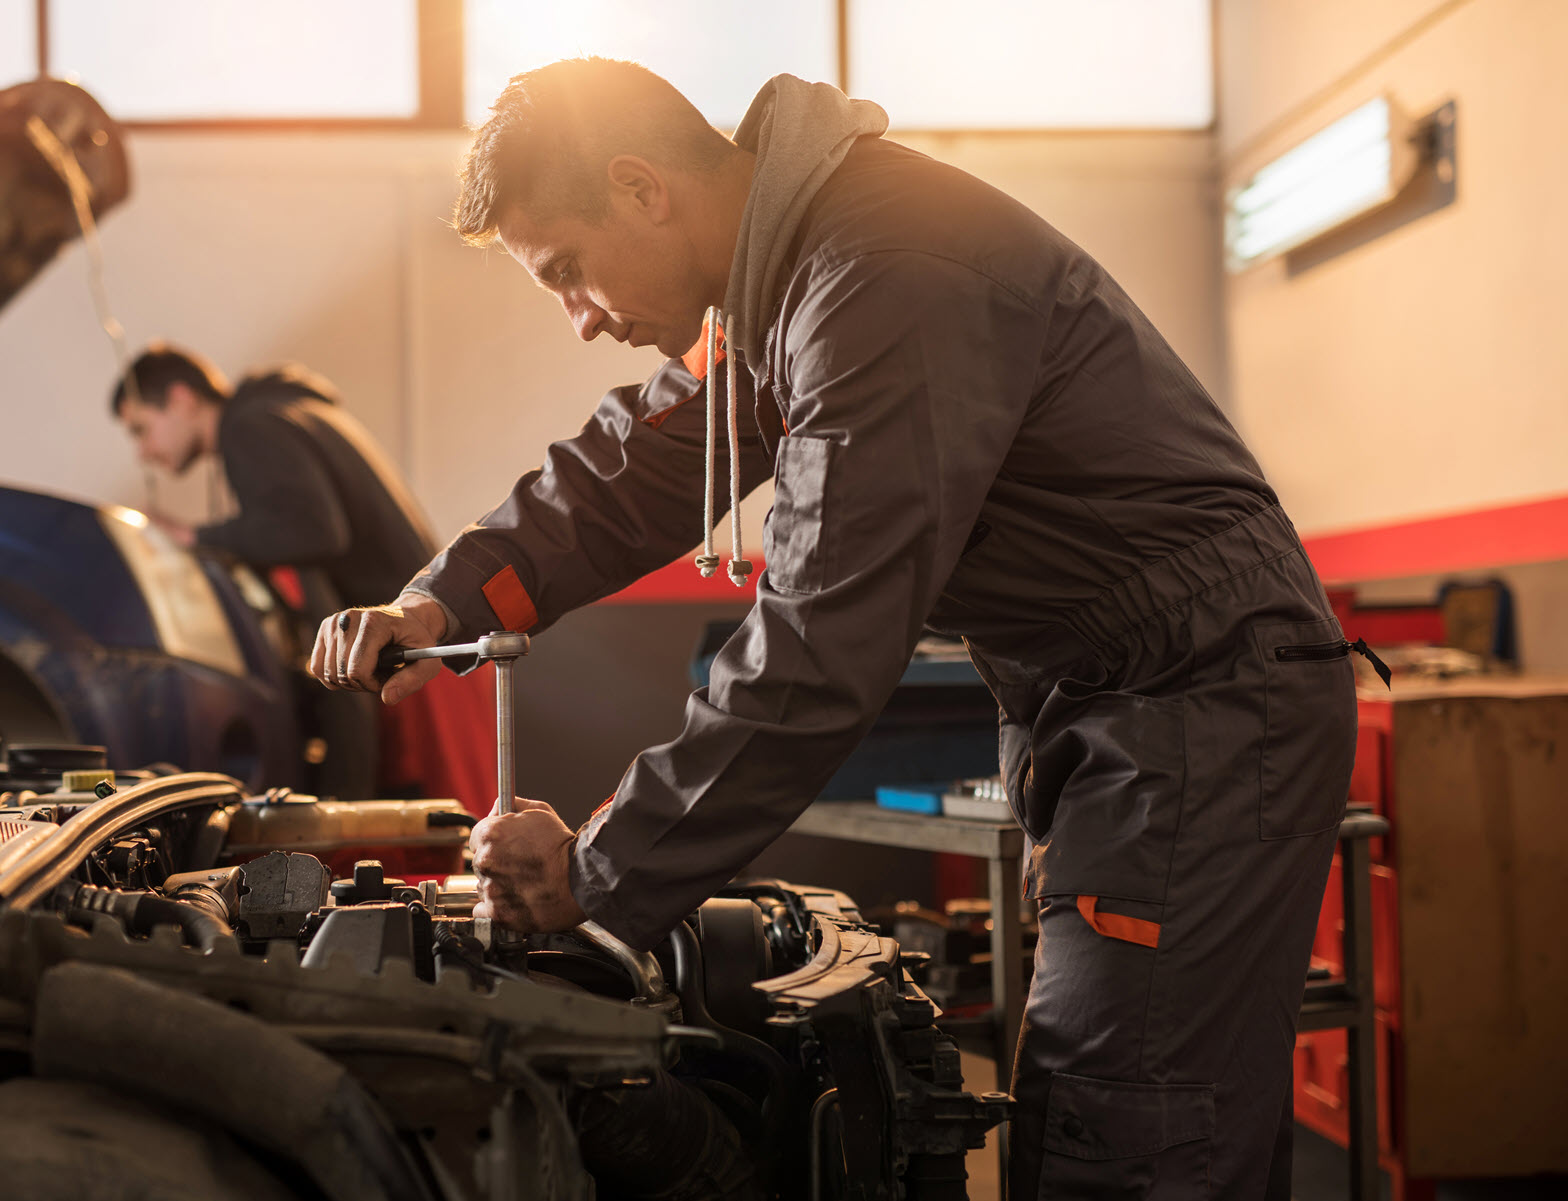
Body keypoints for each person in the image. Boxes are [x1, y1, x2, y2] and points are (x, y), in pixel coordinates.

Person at [309, 59, 1362, 1197]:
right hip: (1118, 705)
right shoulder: (784, 280)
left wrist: (598, 876)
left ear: (640, 187)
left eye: (568, 271)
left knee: (1138, 1141)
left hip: (1195, 703)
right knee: (1115, 1106)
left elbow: (815, 647)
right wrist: (443, 601)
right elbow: (629, 468)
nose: (578, 320)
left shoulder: (878, 274)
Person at [112, 342, 441, 797]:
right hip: (420, 634)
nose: (143, 452)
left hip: (415, 649)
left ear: (182, 399)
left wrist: (191, 538)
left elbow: (312, 530)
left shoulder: (250, 426)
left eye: (141, 429)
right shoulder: (276, 412)